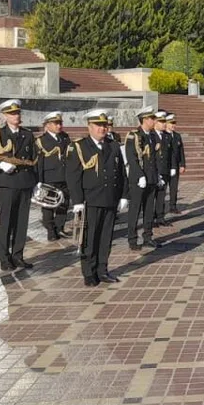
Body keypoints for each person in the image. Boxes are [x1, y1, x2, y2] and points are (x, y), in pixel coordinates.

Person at [66, 110, 128, 286]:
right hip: (90, 200)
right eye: (99, 126)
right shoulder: (79, 147)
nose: (103, 129)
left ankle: (103, 270)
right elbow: (73, 176)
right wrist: (77, 200)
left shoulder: (113, 145)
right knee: (90, 238)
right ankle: (89, 272)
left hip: (109, 199)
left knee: (105, 238)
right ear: (90, 126)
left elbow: (121, 173)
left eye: (105, 125)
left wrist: (124, 195)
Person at [0, 99, 38, 272]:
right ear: (4, 116)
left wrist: (36, 181)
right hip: (8, 183)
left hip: (25, 182)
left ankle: (18, 255)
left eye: (17, 113)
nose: (16, 116)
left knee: (22, 222)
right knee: (6, 222)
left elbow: (33, 160)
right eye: (12, 113)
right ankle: (4, 258)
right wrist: (0, 165)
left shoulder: (27, 134)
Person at [124, 108, 161, 250]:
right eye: (152, 118)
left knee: (149, 209)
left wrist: (156, 175)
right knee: (135, 210)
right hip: (138, 180)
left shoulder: (151, 136)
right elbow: (132, 158)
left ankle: (148, 237)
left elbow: (153, 158)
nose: (154, 121)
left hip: (150, 178)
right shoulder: (134, 136)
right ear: (145, 120)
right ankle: (132, 240)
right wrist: (140, 175)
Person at [36, 111, 71, 240]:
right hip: (49, 178)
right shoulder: (41, 141)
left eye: (60, 123)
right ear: (48, 125)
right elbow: (39, 163)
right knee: (48, 206)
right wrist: (39, 181)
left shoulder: (65, 137)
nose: (59, 126)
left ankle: (59, 227)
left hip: (64, 176)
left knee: (64, 203)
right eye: (56, 123)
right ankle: (50, 231)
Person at [151, 111, 171, 227]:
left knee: (162, 195)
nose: (164, 124)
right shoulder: (151, 135)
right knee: (152, 196)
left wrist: (172, 167)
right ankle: (151, 218)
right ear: (155, 122)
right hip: (155, 170)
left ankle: (160, 217)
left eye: (165, 121)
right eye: (161, 122)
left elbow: (171, 154)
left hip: (164, 170)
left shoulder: (167, 136)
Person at [164, 113, 185, 214]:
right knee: (163, 189)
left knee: (174, 188)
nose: (173, 125)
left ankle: (173, 206)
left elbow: (181, 151)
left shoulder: (177, 136)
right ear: (166, 124)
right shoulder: (163, 135)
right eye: (171, 123)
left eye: (174, 123)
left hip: (175, 165)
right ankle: (160, 208)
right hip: (166, 166)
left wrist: (182, 164)